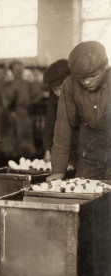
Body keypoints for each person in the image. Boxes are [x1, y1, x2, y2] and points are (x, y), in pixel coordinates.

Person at [47, 41, 111, 181]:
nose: (86, 82)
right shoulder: (69, 85)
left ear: (105, 65)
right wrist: (58, 170)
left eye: (92, 76)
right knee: (84, 195)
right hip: (88, 157)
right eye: (81, 78)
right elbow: (63, 128)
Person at [3, 60, 44, 158]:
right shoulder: (8, 86)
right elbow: (5, 103)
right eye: (16, 69)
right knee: (12, 142)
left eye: (20, 69)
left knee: (27, 140)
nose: (18, 72)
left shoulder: (28, 84)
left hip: (25, 114)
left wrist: (31, 102)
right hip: (12, 116)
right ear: (12, 71)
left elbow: (39, 94)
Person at [41, 59, 77, 165]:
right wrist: (47, 150)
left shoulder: (83, 94)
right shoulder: (54, 98)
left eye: (61, 89)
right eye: (55, 90)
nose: (58, 93)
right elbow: (49, 124)